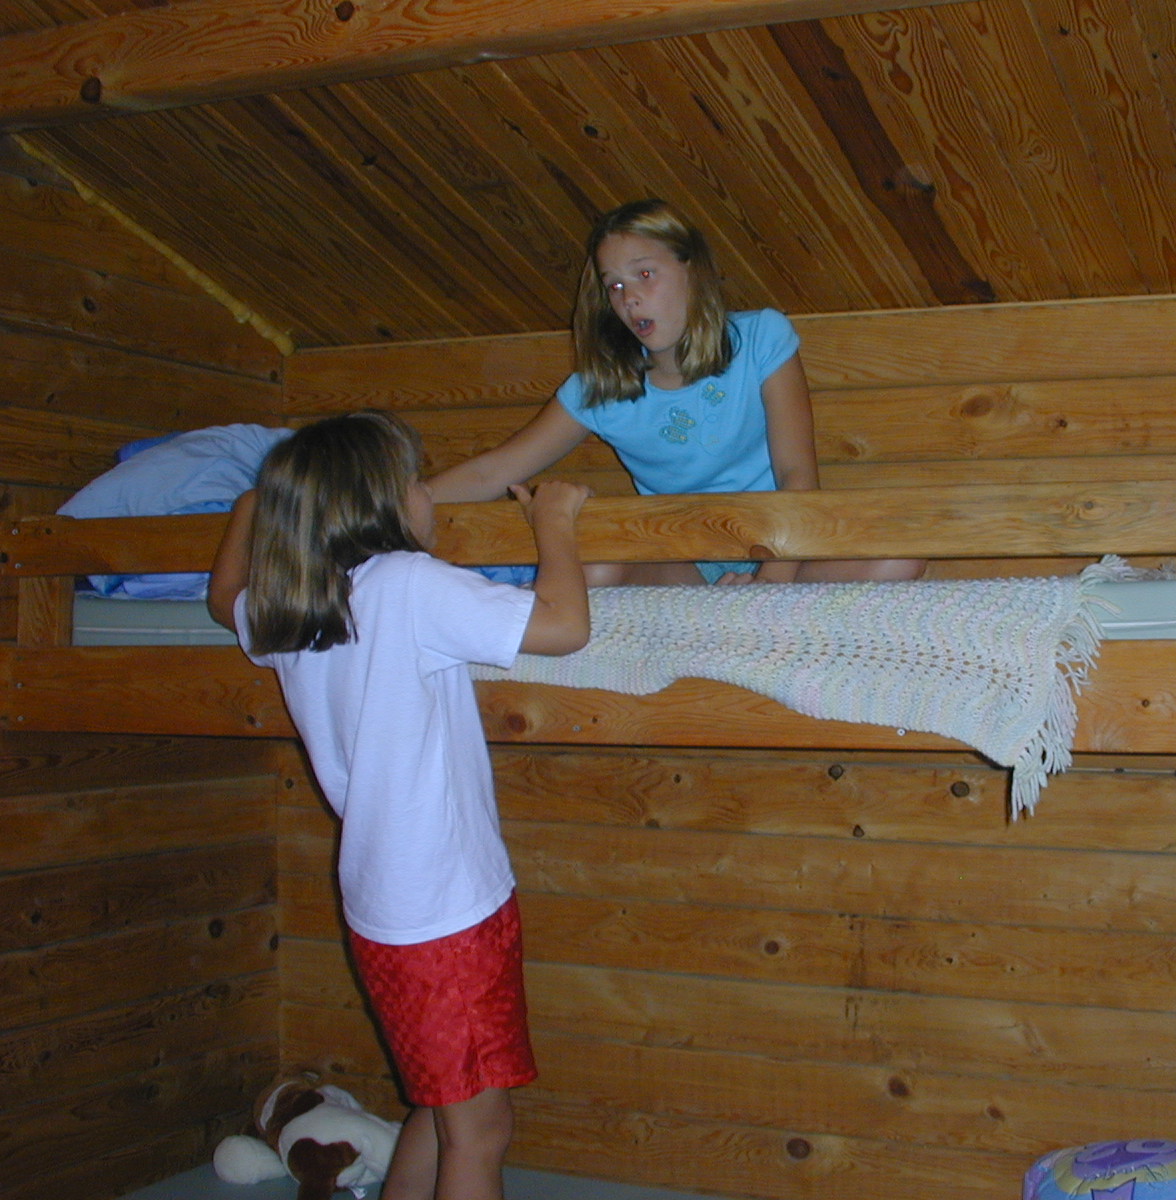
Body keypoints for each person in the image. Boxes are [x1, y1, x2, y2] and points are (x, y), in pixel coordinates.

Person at [206, 411, 591, 1200]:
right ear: (378, 503)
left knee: (443, 1108)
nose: (427, 494)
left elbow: (223, 599)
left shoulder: (291, 607)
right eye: (415, 479)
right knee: (480, 1135)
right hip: (448, 913)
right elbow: (565, 627)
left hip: (389, 909)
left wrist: (256, 507)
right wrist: (554, 524)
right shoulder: (406, 583)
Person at [427, 197, 922, 585]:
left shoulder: (759, 341)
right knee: (595, 570)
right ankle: (716, 614)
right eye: (614, 286)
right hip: (681, 559)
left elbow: (797, 477)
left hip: (784, 545)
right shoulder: (601, 388)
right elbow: (494, 469)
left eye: (644, 274)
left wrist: (772, 581)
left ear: (691, 270)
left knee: (902, 552)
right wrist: (391, 504)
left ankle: (766, 613)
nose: (631, 297)